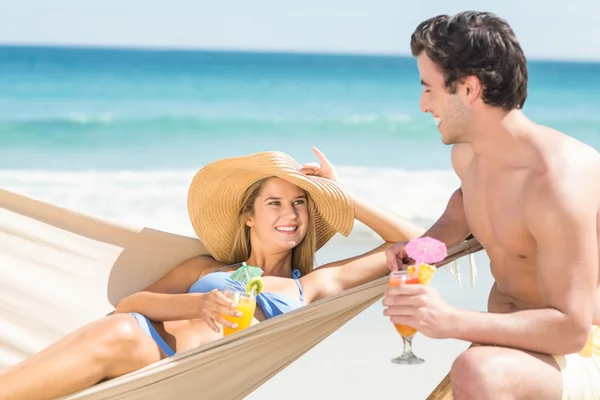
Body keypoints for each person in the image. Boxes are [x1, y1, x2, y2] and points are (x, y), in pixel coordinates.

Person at [0, 147, 425, 400]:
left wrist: (342, 194)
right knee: (122, 331)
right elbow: (130, 305)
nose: (290, 214)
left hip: (185, 375)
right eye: (274, 203)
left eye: (299, 203)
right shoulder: (207, 268)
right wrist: (198, 302)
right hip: (141, 347)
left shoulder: (310, 286)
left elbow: (420, 246)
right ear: (248, 217)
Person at [382, 11, 600, 400]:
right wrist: (424, 247)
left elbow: (571, 329)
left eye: (429, 88)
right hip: (511, 347)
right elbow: (465, 205)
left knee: (475, 370)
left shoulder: (557, 183)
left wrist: (449, 321)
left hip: (582, 352)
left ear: (469, 89)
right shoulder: (469, 156)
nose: (421, 105)